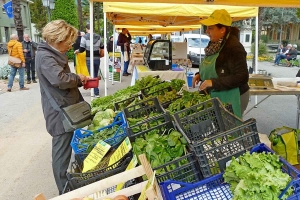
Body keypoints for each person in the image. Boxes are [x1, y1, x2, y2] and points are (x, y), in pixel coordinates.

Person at [35, 20, 89, 195]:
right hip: (59, 113)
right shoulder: (45, 56)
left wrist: (77, 79)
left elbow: (61, 77)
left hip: (64, 108)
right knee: (61, 154)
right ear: (58, 38)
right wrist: (77, 79)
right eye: (69, 41)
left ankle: (69, 188)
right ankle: (65, 192)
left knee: (65, 148)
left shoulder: (50, 54)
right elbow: (59, 79)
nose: (71, 45)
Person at [192, 9, 249, 118]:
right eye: (207, 28)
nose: (207, 31)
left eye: (210, 28)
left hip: (234, 96)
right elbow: (219, 67)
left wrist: (213, 82)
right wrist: (201, 75)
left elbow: (242, 77)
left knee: (231, 129)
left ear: (222, 29)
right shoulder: (215, 45)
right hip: (219, 93)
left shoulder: (234, 48)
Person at [75, 24, 104, 97]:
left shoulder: (84, 37)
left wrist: (77, 51)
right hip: (97, 58)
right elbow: (102, 46)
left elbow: (81, 49)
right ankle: (95, 90)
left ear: (86, 29)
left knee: (92, 75)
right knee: (95, 74)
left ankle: (96, 92)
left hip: (89, 59)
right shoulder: (98, 37)